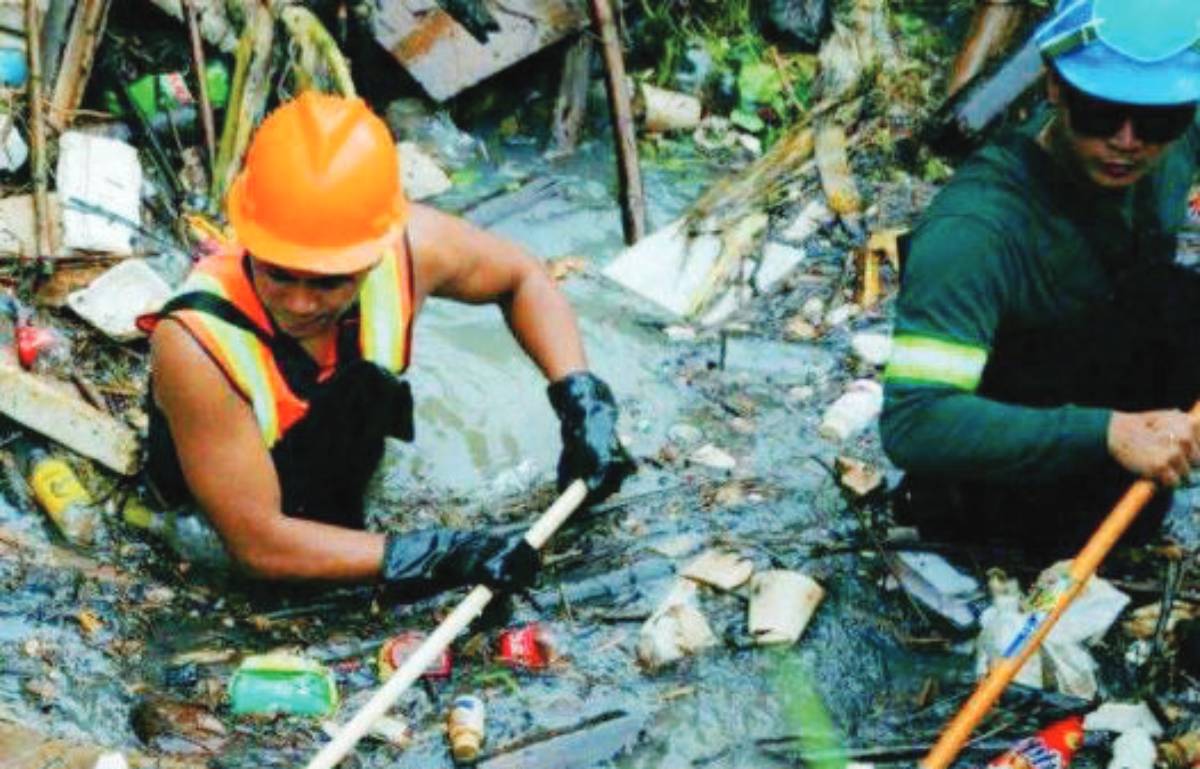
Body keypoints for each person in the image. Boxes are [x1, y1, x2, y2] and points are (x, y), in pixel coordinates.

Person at [141, 92, 634, 596]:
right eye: (279, 274)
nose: (301, 303)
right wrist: (435, 553)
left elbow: (523, 276)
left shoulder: (409, 249)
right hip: (229, 524)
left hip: (330, 470)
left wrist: (580, 398)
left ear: (372, 254)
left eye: (329, 282)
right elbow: (258, 545)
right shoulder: (194, 346)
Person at [881, 0, 1200, 552]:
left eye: (1157, 120)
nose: (1127, 141)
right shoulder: (974, 230)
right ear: (1054, 89)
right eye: (1101, 113)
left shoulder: (1168, 144)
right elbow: (914, 422)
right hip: (1004, 489)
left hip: (1113, 381)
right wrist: (1107, 433)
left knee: (1174, 298)